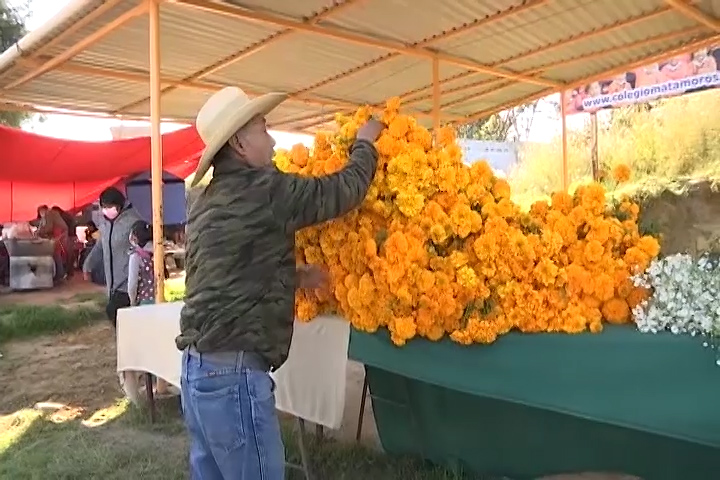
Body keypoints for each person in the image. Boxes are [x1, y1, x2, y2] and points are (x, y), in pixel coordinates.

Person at [176, 86, 383, 479]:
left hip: (197, 374)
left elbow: (227, 273)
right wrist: (365, 144)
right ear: (239, 142)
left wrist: (294, 275)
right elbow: (342, 191)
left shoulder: (203, 200)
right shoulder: (267, 189)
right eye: (264, 128)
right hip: (233, 378)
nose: (272, 141)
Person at [82, 187, 143, 328]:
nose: (106, 210)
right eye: (104, 207)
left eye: (110, 206)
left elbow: (143, 245)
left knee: (114, 312)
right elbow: (100, 246)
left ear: (119, 205)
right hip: (112, 283)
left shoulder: (133, 221)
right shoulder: (105, 224)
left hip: (128, 281)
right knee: (118, 319)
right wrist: (88, 266)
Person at [36, 204, 69, 282]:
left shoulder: (49, 213)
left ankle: (60, 275)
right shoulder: (48, 215)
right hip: (58, 235)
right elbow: (42, 226)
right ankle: (60, 274)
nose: (40, 213)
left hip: (59, 235)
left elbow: (48, 228)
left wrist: (39, 233)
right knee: (56, 254)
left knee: (56, 254)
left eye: (40, 211)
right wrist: (38, 232)